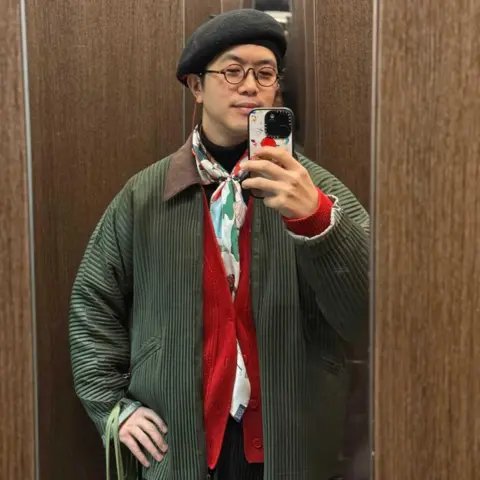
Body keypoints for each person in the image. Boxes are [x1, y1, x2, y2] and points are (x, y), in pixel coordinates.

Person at [69, 9, 369, 480]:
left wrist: (314, 218)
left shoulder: (315, 190)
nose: (250, 86)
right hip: (180, 447)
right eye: (232, 71)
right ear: (196, 86)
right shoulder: (144, 196)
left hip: (293, 447)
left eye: (265, 73)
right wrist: (113, 406)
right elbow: (93, 304)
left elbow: (370, 315)